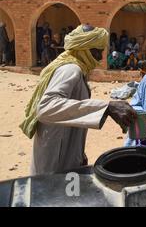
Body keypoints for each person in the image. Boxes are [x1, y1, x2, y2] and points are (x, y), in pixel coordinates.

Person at [20, 24, 137, 175]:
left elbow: (71, 112)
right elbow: (46, 107)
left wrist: (78, 155)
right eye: (97, 52)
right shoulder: (70, 69)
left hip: (66, 154)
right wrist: (106, 107)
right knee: (56, 196)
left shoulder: (77, 69)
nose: (100, 57)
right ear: (85, 50)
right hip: (55, 161)